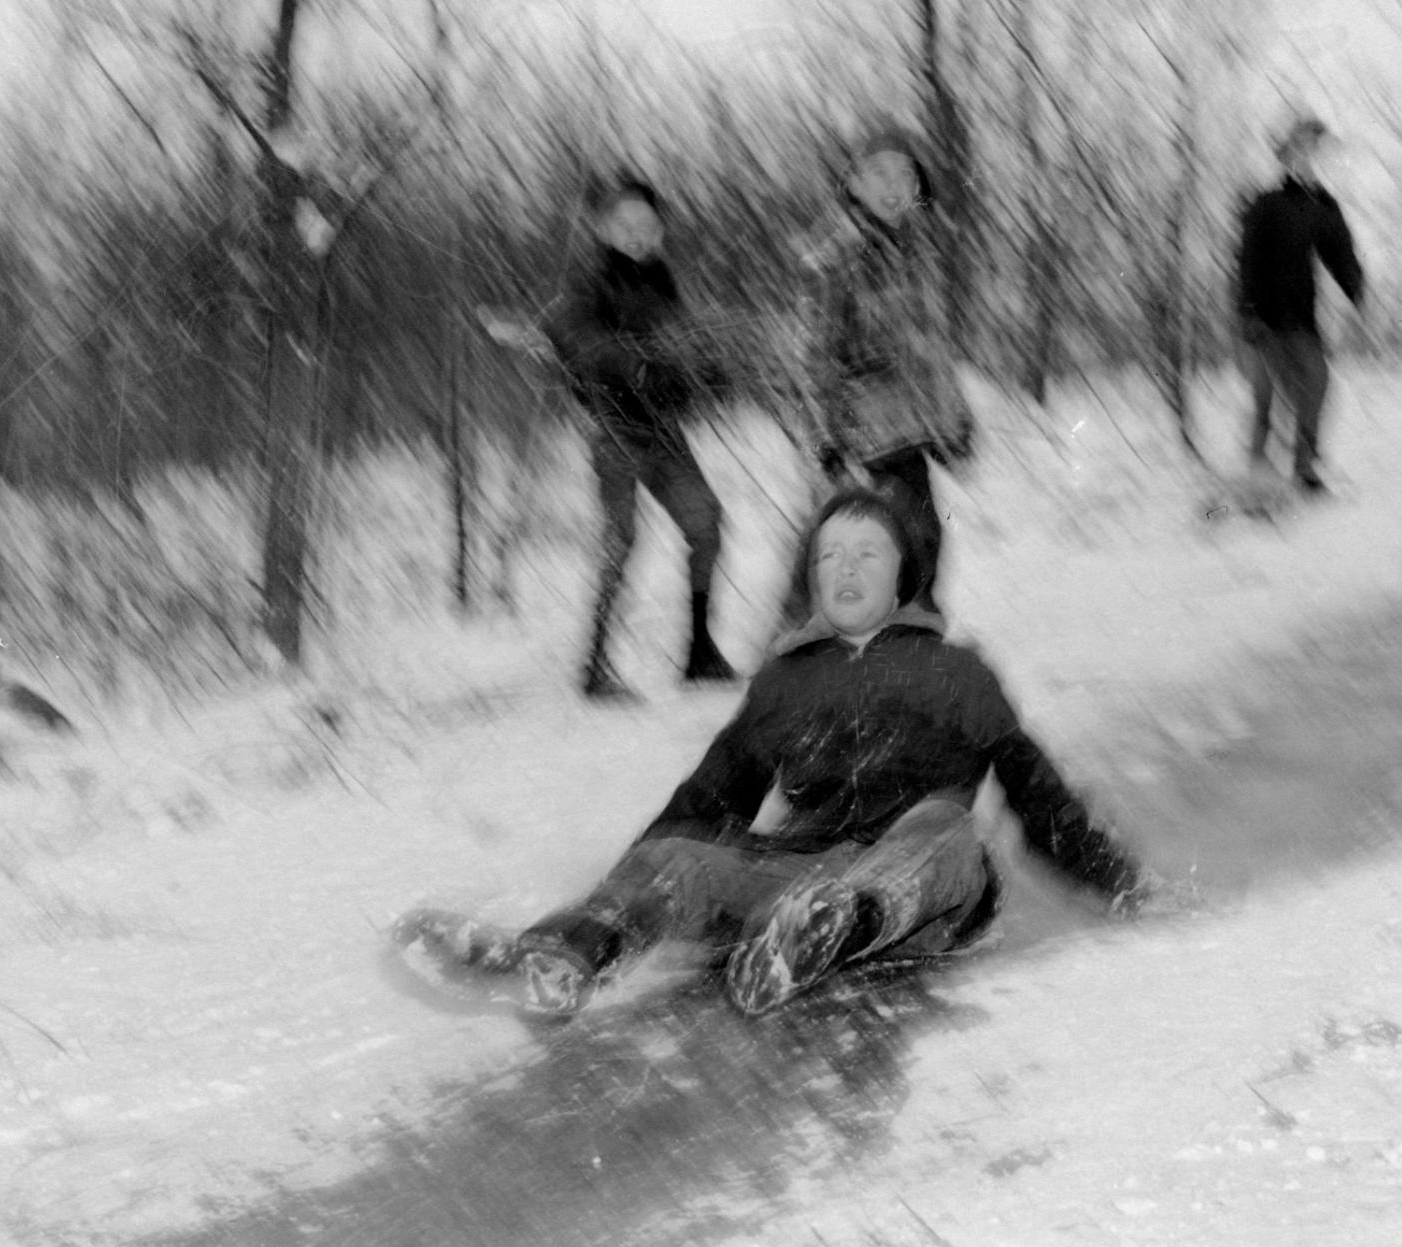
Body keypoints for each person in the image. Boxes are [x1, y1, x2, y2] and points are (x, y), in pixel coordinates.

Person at [407, 489, 1145, 1020]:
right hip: (791, 877)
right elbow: (708, 798)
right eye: (830, 557)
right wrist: (633, 881)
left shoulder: (958, 673)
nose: (847, 571)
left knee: (945, 828)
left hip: (921, 892)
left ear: (904, 574)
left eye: (868, 555)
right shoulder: (787, 682)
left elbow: (1039, 798)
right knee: (689, 858)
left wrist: (1119, 884)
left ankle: (828, 926)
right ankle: (565, 955)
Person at [541, 175, 738, 701]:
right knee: (622, 538)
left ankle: (699, 651)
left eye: (647, 224)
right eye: (625, 224)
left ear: (661, 229)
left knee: (707, 523)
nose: (637, 234)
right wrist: (637, 365)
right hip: (613, 429)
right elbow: (574, 337)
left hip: (661, 430)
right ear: (605, 229)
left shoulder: (663, 283)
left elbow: (684, 348)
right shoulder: (587, 281)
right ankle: (595, 666)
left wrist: (705, 376)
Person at [784, 122, 974, 628]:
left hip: (909, 427)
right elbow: (812, 358)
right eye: (878, 173)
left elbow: (931, 347)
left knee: (915, 547)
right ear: (853, 184)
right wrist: (826, 442)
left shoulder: (919, 253)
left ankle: (893, 654)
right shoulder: (832, 259)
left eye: (905, 175)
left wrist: (954, 419)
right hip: (861, 436)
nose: (893, 187)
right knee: (899, 549)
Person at [1233, 115, 1367, 494]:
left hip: (1300, 318)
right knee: (1268, 397)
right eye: (1301, 151)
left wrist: (1355, 285)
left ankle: (1303, 468)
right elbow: (1248, 258)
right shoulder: (1267, 204)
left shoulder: (1323, 207)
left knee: (1317, 384)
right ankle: (1256, 474)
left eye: (1315, 151)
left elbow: (1339, 251)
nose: (1308, 159)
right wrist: (1247, 311)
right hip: (1261, 315)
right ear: (1288, 157)